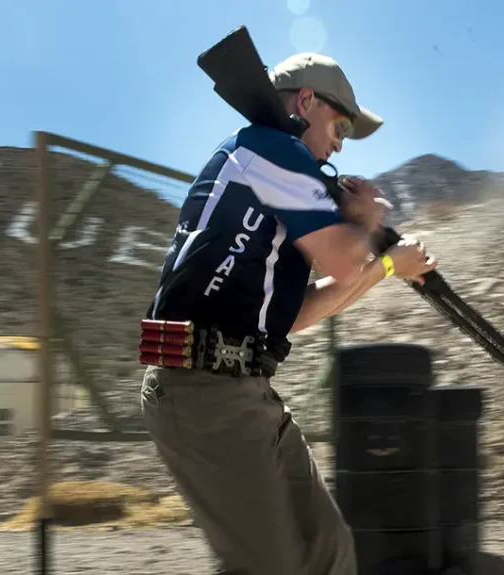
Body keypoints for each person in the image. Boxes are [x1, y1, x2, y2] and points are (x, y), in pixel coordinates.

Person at [138, 52, 436, 575]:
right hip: (200, 391)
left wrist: (386, 265)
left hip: (241, 389)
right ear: (306, 102)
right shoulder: (271, 148)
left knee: (329, 552)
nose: (340, 143)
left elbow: (294, 314)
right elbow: (344, 260)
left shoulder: (280, 174)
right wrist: (367, 224)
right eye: (341, 125)